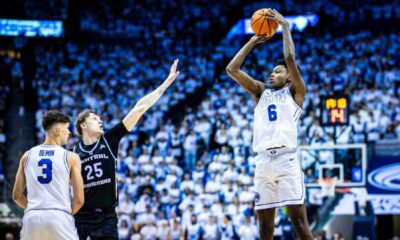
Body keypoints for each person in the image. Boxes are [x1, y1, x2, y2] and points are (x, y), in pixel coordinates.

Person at [226, 9, 312, 240]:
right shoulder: (260, 92)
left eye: (277, 71)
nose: (271, 74)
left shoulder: (296, 92)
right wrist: (252, 42)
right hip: (263, 162)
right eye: (272, 71)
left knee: (300, 225)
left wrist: (285, 26)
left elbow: (290, 58)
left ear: (288, 77)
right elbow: (231, 69)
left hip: (287, 161)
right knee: (265, 229)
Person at [73, 60, 180, 239]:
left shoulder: (109, 139)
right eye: (94, 119)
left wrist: (164, 85)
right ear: (83, 125)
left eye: (100, 118)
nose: (100, 121)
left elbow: (139, 109)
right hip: (81, 217)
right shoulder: (73, 153)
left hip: (106, 216)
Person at [12, 110, 84, 240]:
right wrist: (63, 213)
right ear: (58, 130)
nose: (69, 132)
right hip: (60, 216)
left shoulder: (27, 156)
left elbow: (16, 196)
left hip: (32, 218)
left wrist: (34, 209)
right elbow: (79, 199)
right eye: (67, 128)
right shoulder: (71, 157)